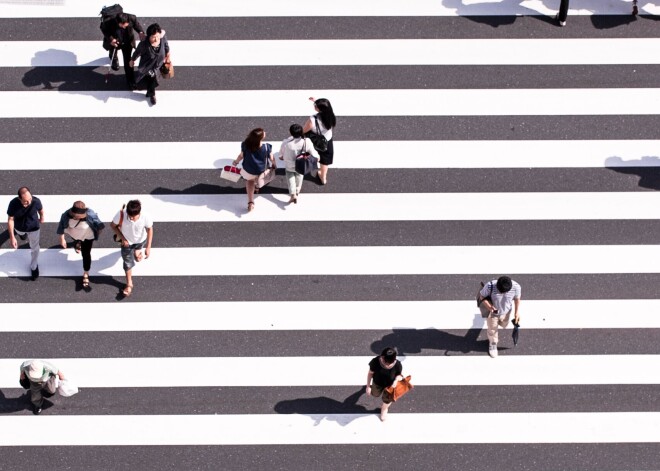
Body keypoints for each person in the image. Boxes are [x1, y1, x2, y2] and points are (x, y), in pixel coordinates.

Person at [56, 201, 105, 290]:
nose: (78, 218)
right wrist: (62, 239)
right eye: (76, 216)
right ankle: (78, 243)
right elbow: (61, 226)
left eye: (80, 217)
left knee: (86, 254)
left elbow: (99, 225)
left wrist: (98, 230)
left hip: (88, 236)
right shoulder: (66, 215)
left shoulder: (90, 214)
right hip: (75, 235)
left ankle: (86, 272)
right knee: (76, 240)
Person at [110, 199, 154, 297]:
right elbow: (112, 225)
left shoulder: (145, 216)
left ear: (139, 212)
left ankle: (138, 253)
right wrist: (122, 238)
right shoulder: (122, 214)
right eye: (130, 217)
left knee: (137, 258)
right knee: (127, 262)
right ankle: (129, 284)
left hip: (141, 240)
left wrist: (148, 247)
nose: (132, 219)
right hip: (127, 243)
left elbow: (150, 229)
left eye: (134, 217)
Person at [477, 276, 522, 358]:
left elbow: (517, 299)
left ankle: (496, 327)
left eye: (505, 292)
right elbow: (481, 296)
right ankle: (493, 343)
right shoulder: (490, 286)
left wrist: (516, 313)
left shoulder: (516, 287)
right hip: (493, 312)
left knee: (504, 324)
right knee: (493, 329)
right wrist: (489, 307)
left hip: (506, 311)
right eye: (500, 292)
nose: (502, 294)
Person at [232, 128, 275, 212]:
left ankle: (250, 202)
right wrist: (274, 164)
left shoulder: (245, 145)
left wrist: (236, 162)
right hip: (262, 170)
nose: (265, 132)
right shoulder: (266, 147)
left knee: (250, 181)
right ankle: (257, 186)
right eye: (263, 133)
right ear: (261, 138)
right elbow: (271, 157)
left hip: (249, 169)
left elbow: (241, 156)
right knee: (260, 179)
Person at [7, 186, 44, 280]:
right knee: (22, 236)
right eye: (26, 201)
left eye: (30, 199)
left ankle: (34, 266)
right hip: (20, 227)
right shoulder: (13, 204)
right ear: (19, 198)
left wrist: (42, 217)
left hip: (34, 228)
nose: (29, 202)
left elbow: (40, 210)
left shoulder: (36, 201)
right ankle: (21, 235)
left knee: (35, 247)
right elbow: (11, 219)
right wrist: (12, 237)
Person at [101, 11, 145, 88]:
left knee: (128, 61)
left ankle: (130, 80)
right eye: (122, 25)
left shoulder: (132, 18)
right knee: (113, 51)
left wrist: (140, 32)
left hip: (127, 42)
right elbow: (104, 29)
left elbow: (136, 25)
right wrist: (111, 39)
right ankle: (113, 58)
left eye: (126, 25)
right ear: (117, 22)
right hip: (115, 40)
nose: (124, 27)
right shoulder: (109, 21)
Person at [129, 23, 171, 105]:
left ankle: (151, 92)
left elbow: (166, 46)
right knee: (151, 77)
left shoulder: (162, 39)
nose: (156, 39)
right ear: (149, 36)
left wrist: (168, 55)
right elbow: (137, 53)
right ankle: (152, 94)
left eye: (158, 37)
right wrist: (132, 60)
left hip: (158, 65)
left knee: (152, 78)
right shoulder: (144, 45)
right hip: (147, 66)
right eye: (153, 37)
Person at [279, 124, 319, 204]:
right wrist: (317, 158)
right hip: (301, 164)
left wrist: (281, 157)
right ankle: (297, 191)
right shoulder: (306, 141)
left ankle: (293, 194)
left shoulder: (286, 142)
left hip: (289, 164)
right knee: (299, 176)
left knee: (290, 177)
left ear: (291, 133)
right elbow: (313, 153)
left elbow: (281, 155)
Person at [303, 97, 336, 185]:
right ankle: (323, 177)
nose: (314, 106)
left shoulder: (313, 119)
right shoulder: (331, 116)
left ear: (319, 109)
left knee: (310, 153)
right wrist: (316, 101)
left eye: (315, 106)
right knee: (325, 160)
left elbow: (304, 130)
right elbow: (325, 108)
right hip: (327, 140)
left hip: (314, 141)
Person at [366, 347, 403, 422]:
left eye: (387, 362)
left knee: (388, 399)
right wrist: (368, 386)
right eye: (382, 359)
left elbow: (399, 374)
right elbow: (370, 373)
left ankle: (384, 409)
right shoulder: (376, 361)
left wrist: (396, 380)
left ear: (393, 360)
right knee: (375, 394)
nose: (384, 362)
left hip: (390, 386)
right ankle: (383, 406)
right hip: (377, 383)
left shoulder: (397, 364)